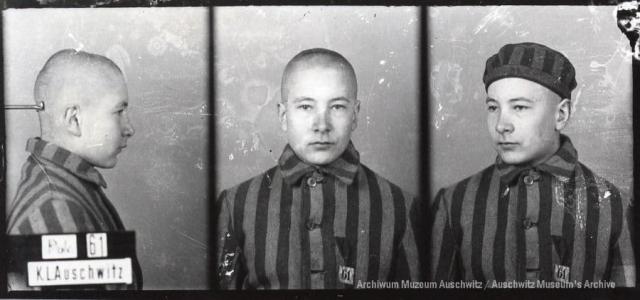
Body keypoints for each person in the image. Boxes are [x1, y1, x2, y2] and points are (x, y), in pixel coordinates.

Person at [430, 42, 635, 287]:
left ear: (561, 115)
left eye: (519, 107)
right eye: (493, 107)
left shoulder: (617, 208)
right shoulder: (453, 203)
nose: (501, 125)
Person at [215, 48, 422, 289]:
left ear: (355, 115)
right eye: (305, 107)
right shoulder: (236, 204)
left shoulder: (401, 206)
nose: (321, 125)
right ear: (283, 116)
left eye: (337, 107)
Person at [6, 49, 142, 290]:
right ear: (74, 120)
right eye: (118, 112)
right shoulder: (55, 209)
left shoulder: (61, 181)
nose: (129, 128)